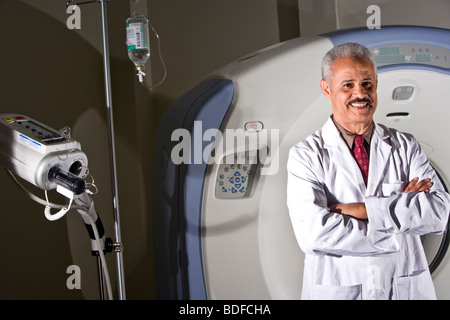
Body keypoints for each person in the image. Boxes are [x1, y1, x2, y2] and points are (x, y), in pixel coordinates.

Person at [286, 42, 450, 300]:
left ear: (376, 84)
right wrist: (399, 223)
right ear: (327, 89)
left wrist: (364, 210)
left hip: (405, 288)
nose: (360, 94)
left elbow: (439, 213)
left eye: (367, 84)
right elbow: (314, 234)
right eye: (348, 85)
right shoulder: (306, 155)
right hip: (340, 289)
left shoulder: (405, 146)